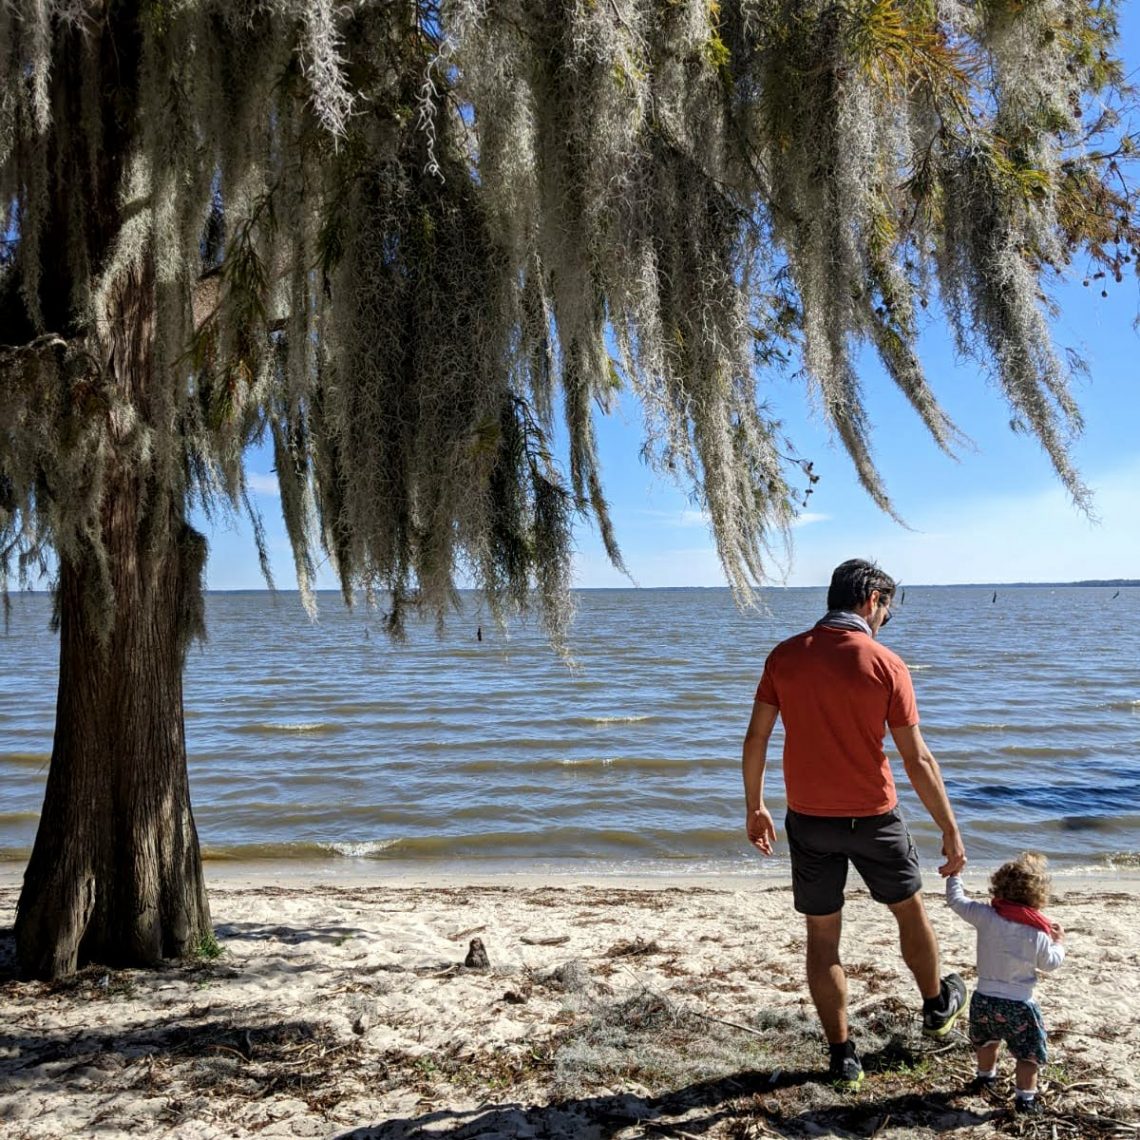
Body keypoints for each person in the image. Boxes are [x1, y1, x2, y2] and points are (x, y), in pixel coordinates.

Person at [742, 558, 968, 1090]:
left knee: (822, 937)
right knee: (909, 915)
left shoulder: (785, 656)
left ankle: (843, 1058)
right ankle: (937, 1006)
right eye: (886, 607)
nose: (886, 618)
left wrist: (755, 806)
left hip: (810, 820)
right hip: (874, 818)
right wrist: (950, 828)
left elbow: (756, 739)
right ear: (871, 601)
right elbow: (918, 760)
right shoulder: (887, 663)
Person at [945, 853, 1065, 1116]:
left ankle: (985, 1077)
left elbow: (955, 900)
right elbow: (1051, 963)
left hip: (985, 999)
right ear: (1039, 895)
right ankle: (1025, 1100)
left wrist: (955, 874)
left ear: (998, 886)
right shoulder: (1038, 932)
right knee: (1028, 1055)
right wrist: (1059, 942)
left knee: (987, 1043)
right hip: (1020, 1005)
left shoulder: (986, 916)